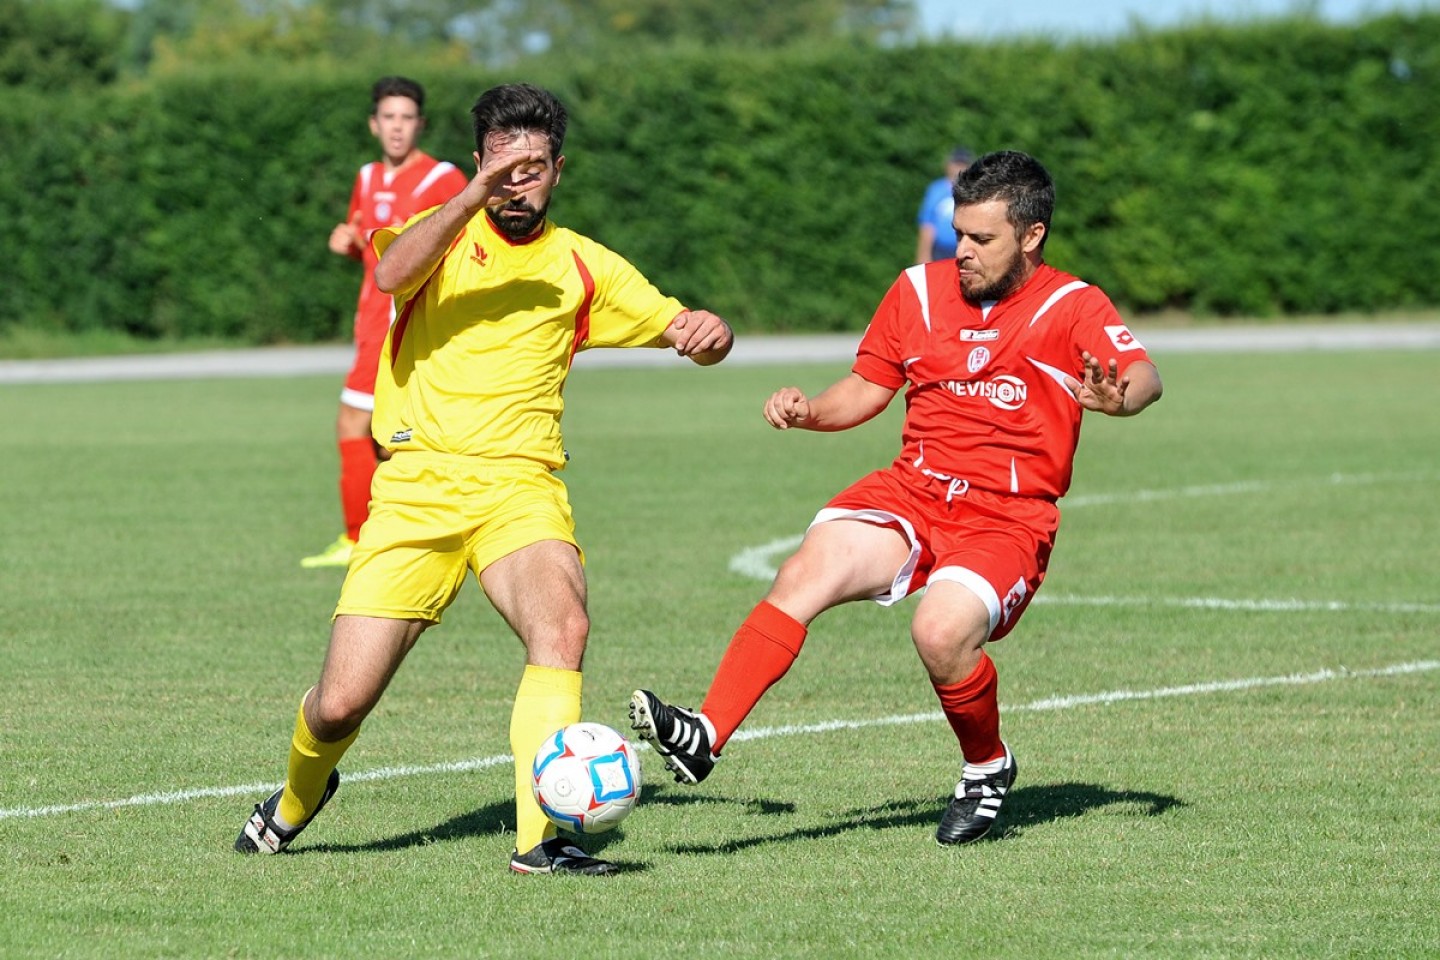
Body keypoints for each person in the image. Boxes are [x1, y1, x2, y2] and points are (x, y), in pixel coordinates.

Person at [236, 83, 734, 875]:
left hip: (520, 489)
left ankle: (543, 842)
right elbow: (392, 272)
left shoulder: (582, 263)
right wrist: (472, 194)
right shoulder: (434, 238)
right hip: (415, 490)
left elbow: (684, 328)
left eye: (533, 166)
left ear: (559, 172)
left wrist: (708, 334)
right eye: (502, 162)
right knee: (338, 705)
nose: (517, 180)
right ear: (478, 162)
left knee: (561, 628)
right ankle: (297, 798)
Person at [630, 150, 1162, 847]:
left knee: (939, 633)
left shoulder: (1072, 304)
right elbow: (867, 390)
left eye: (981, 239)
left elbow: (1144, 374)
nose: (961, 251)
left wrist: (1117, 399)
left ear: (1031, 237)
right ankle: (706, 733)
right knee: (805, 572)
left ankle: (986, 766)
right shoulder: (915, 291)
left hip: (1006, 515)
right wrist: (810, 409)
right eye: (958, 233)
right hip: (913, 490)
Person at [301, 76, 469, 569]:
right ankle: (409, 537)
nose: (398, 128)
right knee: (391, 435)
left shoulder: (443, 180)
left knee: (359, 425)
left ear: (421, 124)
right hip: (370, 322)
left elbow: (452, 249)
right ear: (375, 124)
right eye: (389, 118)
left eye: (407, 118)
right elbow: (374, 253)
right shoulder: (368, 177)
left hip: (400, 326)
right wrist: (350, 245)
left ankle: (361, 539)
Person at [914, 145, 975, 264]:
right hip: (939, 252)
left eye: (963, 164)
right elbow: (927, 225)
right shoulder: (936, 190)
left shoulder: (974, 191)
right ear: (948, 165)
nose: (959, 168)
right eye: (956, 164)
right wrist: (923, 254)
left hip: (965, 248)